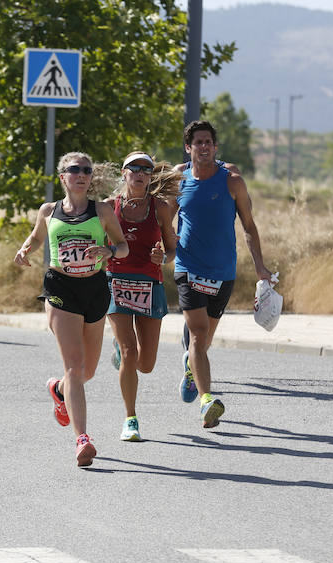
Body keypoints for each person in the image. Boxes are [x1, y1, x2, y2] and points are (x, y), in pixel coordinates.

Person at [14, 151, 129, 467]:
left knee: (86, 372)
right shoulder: (49, 211)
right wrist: (25, 250)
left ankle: (59, 390)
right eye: (74, 169)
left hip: (94, 290)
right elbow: (37, 238)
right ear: (62, 176)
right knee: (75, 366)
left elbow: (123, 245)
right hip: (60, 290)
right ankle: (82, 439)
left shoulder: (102, 210)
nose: (81, 174)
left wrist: (108, 250)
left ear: (91, 177)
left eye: (86, 170)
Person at [171, 120, 272, 428]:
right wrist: (161, 249)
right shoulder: (179, 180)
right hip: (188, 268)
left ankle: (191, 368)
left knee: (204, 340)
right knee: (199, 336)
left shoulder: (233, 182)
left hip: (223, 271)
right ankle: (206, 401)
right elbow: (162, 219)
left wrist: (259, 267)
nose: (204, 147)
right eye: (197, 142)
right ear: (188, 149)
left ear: (215, 147)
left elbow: (249, 227)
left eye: (208, 142)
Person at [104, 152, 180, 442]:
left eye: (146, 170)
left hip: (149, 284)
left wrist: (163, 257)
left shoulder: (160, 207)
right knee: (129, 353)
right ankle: (130, 419)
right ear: (123, 173)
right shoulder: (109, 208)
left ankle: (121, 353)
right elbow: (98, 243)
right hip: (117, 282)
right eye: (134, 169)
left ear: (150, 177)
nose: (140, 174)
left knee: (146, 364)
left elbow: (172, 249)